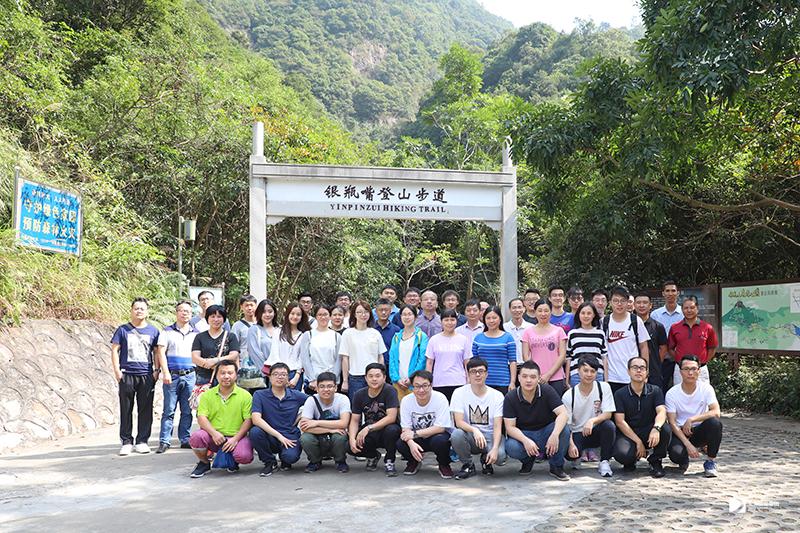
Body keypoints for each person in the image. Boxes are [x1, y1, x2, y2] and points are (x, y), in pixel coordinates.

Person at [503, 361, 571, 480]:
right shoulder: (511, 397)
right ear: (519, 378)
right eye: (524, 376)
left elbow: (563, 414)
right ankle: (528, 460)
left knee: (563, 430)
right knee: (511, 446)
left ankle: (556, 466)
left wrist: (554, 435)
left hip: (546, 431)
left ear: (539, 378)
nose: (528, 380)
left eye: (533, 377)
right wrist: (525, 441)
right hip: (525, 433)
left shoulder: (547, 390)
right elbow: (510, 427)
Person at [188, 360, 254, 477]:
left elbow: (248, 420)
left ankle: (232, 460)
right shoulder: (207, 395)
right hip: (213, 436)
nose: (226, 376)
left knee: (244, 456)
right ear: (216, 375)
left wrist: (235, 439)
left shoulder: (245, 395)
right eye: (222, 373)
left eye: (230, 373)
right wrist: (214, 433)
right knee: (197, 437)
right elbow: (201, 417)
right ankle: (204, 463)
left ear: (236, 375)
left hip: (235, 437)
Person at [112, 297, 160, 455]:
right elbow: (115, 350)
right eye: (136, 308)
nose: (139, 311)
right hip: (126, 374)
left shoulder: (153, 331)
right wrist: (117, 371)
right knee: (126, 408)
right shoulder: (123, 330)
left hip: (146, 374)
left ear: (147, 312)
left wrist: (157, 370)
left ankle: (142, 441)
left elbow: (157, 352)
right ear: (131, 310)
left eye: (142, 308)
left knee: (145, 409)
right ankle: (126, 441)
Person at [612, 356, 670, 478]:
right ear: (628, 371)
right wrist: (638, 442)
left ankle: (655, 461)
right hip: (628, 433)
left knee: (665, 429)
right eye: (635, 367)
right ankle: (631, 459)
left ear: (647, 372)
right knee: (622, 454)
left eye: (642, 368)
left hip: (649, 431)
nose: (639, 371)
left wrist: (656, 428)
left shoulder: (655, 390)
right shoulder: (620, 394)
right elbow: (620, 421)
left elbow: (661, 411)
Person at [665, 355, 722, 477]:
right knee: (676, 455)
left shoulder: (706, 389)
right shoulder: (672, 393)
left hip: (699, 429)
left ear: (699, 371)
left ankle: (710, 461)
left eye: (693, 369)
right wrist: (688, 445)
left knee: (715, 423)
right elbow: (672, 422)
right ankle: (683, 459)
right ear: (680, 372)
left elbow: (716, 412)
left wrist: (691, 419)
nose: (690, 373)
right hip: (680, 431)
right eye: (686, 369)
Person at [450, 358, 506, 479]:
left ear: (487, 373)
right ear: (468, 374)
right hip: (471, 436)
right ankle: (468, 465)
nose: (477, 374)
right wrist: (475, 430)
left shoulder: (497, 395)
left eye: (481, 371)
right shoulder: (459, 393)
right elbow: (458, 422)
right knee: (456, 435)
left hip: (491, 435)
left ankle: (486, 459)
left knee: (500, 456)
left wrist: (495, 448)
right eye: (473, 371)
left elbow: (498, 426)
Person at [249, 362, 308, 476]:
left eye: (283, 374)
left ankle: (285, 459)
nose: (279, 377)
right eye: (275, 374)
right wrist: (279, 436)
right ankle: (269, 462)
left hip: (289, 434)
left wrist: (301, 416)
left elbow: (315, 402)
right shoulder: (259, 395)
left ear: (288, 378)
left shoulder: (296, 395)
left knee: (290, 457)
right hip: (269, 435)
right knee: (255, 432)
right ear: (269, 377)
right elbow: (256, 419)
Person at [155, 300, 199, 453]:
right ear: (176, 312)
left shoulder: (196, 333)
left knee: (187, 410)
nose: (185, 313)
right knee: (169, 410)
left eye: (188, 311)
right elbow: (160, 352)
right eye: (182, 310)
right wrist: (165, 372)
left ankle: (185, 439)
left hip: (190, 375)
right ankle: (164, 441)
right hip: (172, 375)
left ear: (191, 314)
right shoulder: (167, 331)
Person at [562, 357, 616, 477]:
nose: (589, 374)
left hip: (595, 430)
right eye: (585, 370)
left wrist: (592, 421)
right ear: (578, 371)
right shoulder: (569, 395)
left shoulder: (604, 387)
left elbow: (608, 413)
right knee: (570, 454)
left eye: (592, 371)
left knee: (609, 426)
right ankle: (577, 456)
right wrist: (571, 444)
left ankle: (604, 461)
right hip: (577, 433)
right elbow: (566, 424)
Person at [396, 370, 453, 478]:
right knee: (401, 443)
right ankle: (413, 461)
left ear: (431, 385)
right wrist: (411, 443)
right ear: (412, 387)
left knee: (441, 441)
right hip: (416, 438)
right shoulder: (406, 400)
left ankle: (444, 464)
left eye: (425, 386)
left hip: (436, 435)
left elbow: (441, 428)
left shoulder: (440, 398)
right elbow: (406, 428)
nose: (421, 390)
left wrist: (414, 434)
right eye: (417, 386)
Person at [348, 363, 402, 476]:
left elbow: (391, 417)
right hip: (371, 430)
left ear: (384, 377)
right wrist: (352, 439)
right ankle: (372, 456)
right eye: (371, 376)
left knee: (392, 430)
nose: (374, 379)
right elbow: (354, 420)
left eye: (378, 376)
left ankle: (389, 461)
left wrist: (368, 428)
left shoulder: (390, 390)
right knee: (347, 445)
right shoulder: (359, 394)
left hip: (387, 428)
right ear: (365, 378)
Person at [299, 371, 351, 473]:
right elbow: (304, 427)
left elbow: (344, 423)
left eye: (330, 386)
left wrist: (316, 423)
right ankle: (315, 461)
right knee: (305, 438)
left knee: (340, 435)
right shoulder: (311, 400)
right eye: (322, 387)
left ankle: (340, 461)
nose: (326, 390)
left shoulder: (343, 399)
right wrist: (330, 430)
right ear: (317, 388)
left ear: (335, 388)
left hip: (336, 435)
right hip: (319, 435)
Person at [602, 287, 650, 393]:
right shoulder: (604, 322)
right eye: (615, 301)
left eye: (622, 301)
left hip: (633, 376)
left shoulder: (636, 321)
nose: (619, 304)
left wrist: (645, 372)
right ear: (610, 302)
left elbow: (644, 347)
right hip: (611, 377)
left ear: (628, 302)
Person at [340, 300, 387, 402]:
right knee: (357, 407)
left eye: (366, 312)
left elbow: (380, 356)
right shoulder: (348, 333)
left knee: (375, 406)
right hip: (355, 377)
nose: (363, 315)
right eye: (359, 312)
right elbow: (345, 358)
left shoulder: (375, 333)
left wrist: (381, 376)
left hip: (374, 377)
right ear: (354, 314)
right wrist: (345, 381)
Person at [521, 299, 568, 396]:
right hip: (535, 378)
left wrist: (548, 374)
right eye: (540, 310)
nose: (543, 314)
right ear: (535, 312)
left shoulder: (559, 331)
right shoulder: (527, 332)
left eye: (546, 311)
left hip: (556, 377)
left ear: (551, 312)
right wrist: (535, 374)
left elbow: (562, 355)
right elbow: (525, 356)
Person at [668, 296, 718, 385]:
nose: (689, 310)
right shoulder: (674, 327)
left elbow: (712, 348)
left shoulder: (707, 328)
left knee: (702, 393)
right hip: (681, 370)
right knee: (680, 393)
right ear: (682, 310)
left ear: (697, 308)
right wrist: (679, 359)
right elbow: (670, 348)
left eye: (692, 307)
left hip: (700, 370)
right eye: (686, 308)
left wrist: (703, 361)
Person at [425, 309, 471, 401]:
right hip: (439, 382)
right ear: (441, 321)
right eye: (446, 320)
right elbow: (429, 362)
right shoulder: (434, 340)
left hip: (459, 381)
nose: (449, 323)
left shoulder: (463, 339)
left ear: (456, 321)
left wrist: (469, 380)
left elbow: (467, 362)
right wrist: (428, 381)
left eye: (452, 320)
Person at [191, 305, 240, 387]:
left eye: (219, 316)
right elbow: (195, 357)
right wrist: (207, 364)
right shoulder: (200, 337)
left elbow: (234, 356)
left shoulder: (231, 336)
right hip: (203, 378)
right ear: (207, 319)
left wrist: (215, 361)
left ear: (224, 319)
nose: (216, 319)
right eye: (212, 316)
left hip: (225, 377)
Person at [472, 306, 517, 393]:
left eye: (494, 318)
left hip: (502, 382)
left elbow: (512, 361)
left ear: (500, 319)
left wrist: (512, 382)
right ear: (484, 320)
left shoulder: (508, 337)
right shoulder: (478, 338)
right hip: (482, 382)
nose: (491, 321)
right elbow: (474, 362)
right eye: (488, 318)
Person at [266, 303, 311, 391]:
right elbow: (274, 353)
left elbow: (302, 357)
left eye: (298, 314)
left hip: (294, 374)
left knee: (293, 399)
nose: (295, 317)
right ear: (287, 314)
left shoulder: (304, 335)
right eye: (292, 313)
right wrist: (281, 375)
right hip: (277, 373)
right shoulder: (278, 332)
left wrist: (297, 376)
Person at [389, 305, 429, 400]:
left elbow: (422, 360)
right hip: (398, 383)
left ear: (415, 317)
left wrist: (412, 378)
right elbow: (392, 359)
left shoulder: (421, 336)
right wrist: (396, 379)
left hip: (415, 383)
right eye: (404, 314)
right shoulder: (396, 337)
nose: (407, 317)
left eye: (410, 314)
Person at [299, 305, 342, 392]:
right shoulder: (308, 335)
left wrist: (333, 380)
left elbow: (339, 360)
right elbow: (305, 358)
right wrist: (312, 380)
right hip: (313, 381)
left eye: (325, 314)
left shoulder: (336, 336)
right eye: (320, 315)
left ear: (330, 316)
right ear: (315, 317)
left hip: (331, 380)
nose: (323, 317)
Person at [651, 280, 684, 388]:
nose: (670, 293)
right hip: (662, 359)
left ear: (678, 293)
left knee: (681, 389)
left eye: (673, 291)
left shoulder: (685, 313)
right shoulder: (655, 315)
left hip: (680, 360)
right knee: (661, 388)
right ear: (663, 293)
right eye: (667, 291)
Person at [566, 302, 608, 387]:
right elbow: (568, 358)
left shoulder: (600, 333)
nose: (586, 316)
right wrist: (567, 380)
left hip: (597, 374)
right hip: (577, 375)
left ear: (594, 315)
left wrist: (606, 380)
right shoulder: (572, 334)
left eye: (589, 313)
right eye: (583, 313)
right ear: (578, 315)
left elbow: (604, 357)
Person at [633, 292, 668, 390]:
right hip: (632, 370)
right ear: (634, 305)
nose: (641, 305)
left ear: (650, 305)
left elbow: (663, 348)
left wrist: (656, 363)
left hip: (653, 372)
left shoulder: (658, 326)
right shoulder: (629, 325)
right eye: (638, 302)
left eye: (645, 302)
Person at [247, 299, 279, 379]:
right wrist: (268, 373)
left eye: (270, 311)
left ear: (274, 313)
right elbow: (255, 353)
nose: (267, 314)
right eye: (264, 312)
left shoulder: (280, 330)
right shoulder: (254, 330)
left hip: (279, 374)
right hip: (261, 375)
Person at [374, 298, 401, 374]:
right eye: (381, 310)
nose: (383, 312)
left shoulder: (397, 330)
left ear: (390, 311)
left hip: (391, 367)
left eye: (386, 310)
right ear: (376, 311)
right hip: (373, 366)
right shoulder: (370, 329)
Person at [230, 294, 257, 369]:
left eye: (251, 305)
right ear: (241, 307)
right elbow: (234, 348)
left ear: (256, 306)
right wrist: (237, 367)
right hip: (244, 365)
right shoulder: (237, 326)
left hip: (261, 365)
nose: (249, 308)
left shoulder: (262, 324)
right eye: (246, 305)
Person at [504, 297, 533, 365]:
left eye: (519, 307)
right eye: (514, 308)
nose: (517, 310)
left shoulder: (531, 327)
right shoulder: (504, 328)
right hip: (508, 365)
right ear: (510, 309)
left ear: (524, 309)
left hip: (526, 365)